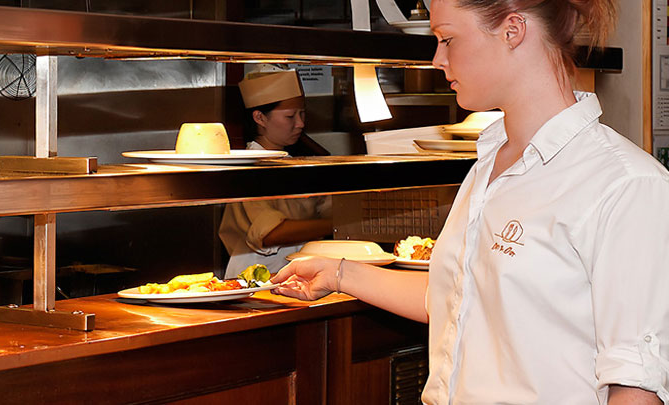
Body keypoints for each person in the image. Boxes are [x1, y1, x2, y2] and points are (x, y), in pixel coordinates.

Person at [271, 1, 669, 404]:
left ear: (512, 30)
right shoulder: (489, 162)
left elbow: (634, 388)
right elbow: (459, 296)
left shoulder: (625, 184)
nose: (437, 59)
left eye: (447, 39)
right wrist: (339, 273)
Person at [219, 69, 332, 278]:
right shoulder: (250, 168)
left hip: (294, 272)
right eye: (290, 116)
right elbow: (270, 233)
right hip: (256, 276)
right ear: (260, 117)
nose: (300, 123)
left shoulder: (291, 161)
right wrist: (340, 224)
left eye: (302, 114)